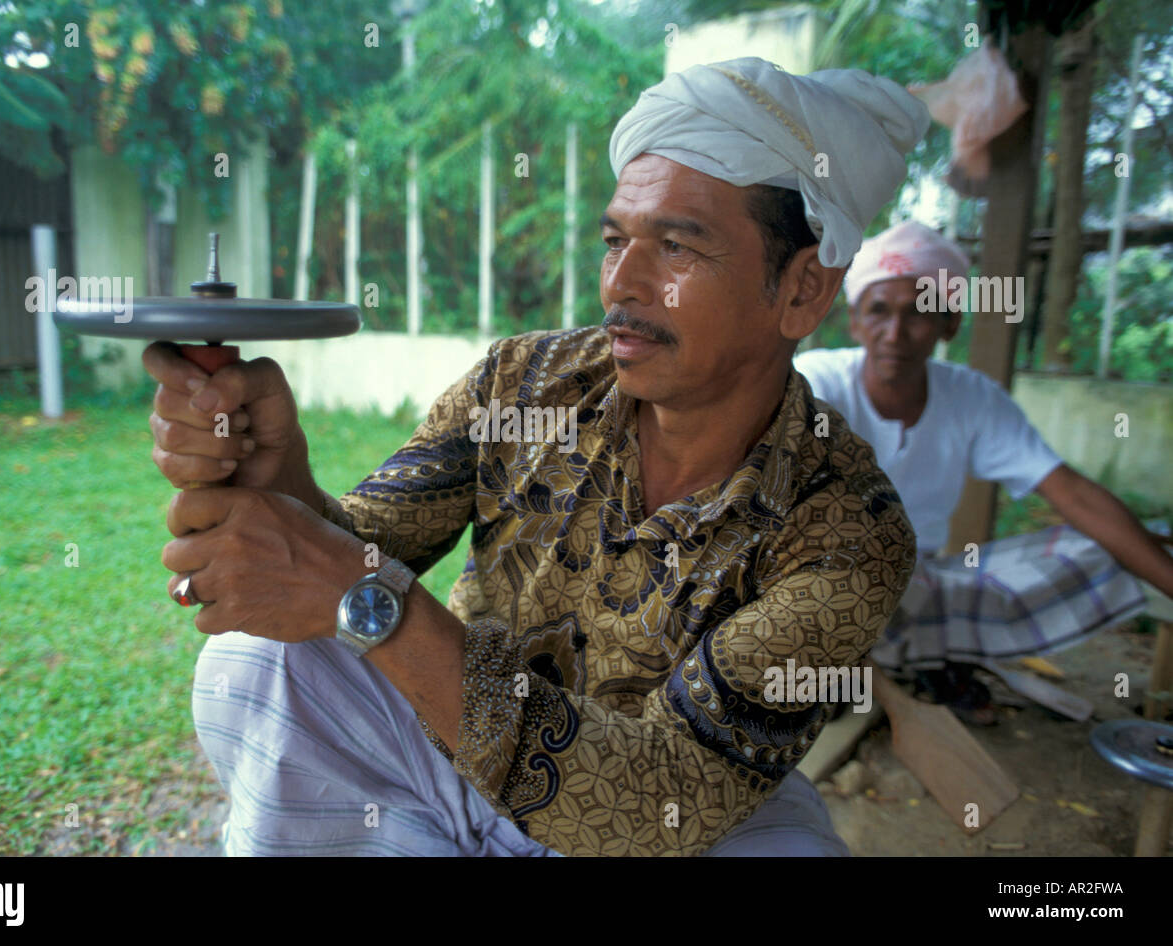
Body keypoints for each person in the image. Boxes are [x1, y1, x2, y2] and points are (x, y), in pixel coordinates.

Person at [143, 57, 929, 856]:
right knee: (254, 662)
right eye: (615, 240)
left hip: (672, 821)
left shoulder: (847, 533)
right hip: (453, 752)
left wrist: (364, 595)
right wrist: (277, 476)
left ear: (803, 289)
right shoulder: (525, 384)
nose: (621, 282)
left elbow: (662, 798)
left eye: (678, 248)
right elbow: (364, 551)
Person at [794, 221, 1173, 723]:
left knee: (1106, 546)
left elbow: (1071, 492)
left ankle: (917, 660)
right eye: (879, 311)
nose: (896, 333)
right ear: (857, 321)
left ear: (949, 324)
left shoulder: (972, 397)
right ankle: (855, 665)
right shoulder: (818, 381)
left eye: (920, 314)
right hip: (820, 572)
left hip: (921, 578)